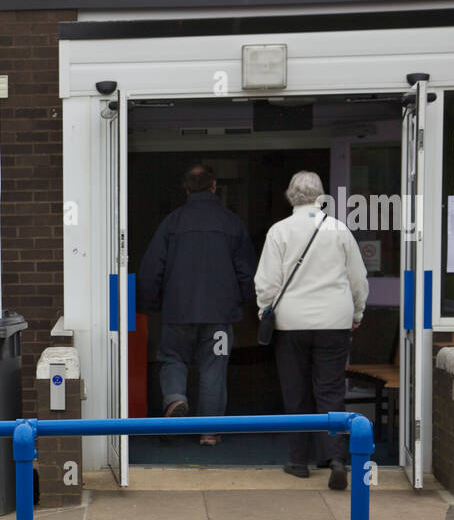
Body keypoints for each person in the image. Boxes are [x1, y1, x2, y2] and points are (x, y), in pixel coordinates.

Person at [254, 170, 369, 490]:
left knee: (296, 392)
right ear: (321, 196)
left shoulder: (279, 231)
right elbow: (358, 278)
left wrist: (265, 310)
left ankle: (298, 461)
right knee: (330, 390)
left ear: (291, 196)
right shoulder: (339, 229)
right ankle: (335, 457)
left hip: (291, 323)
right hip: (334, 321)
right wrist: (357, 311)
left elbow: (266, 283)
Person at [138, 164, 256, 445]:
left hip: (178, 313)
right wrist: (245, 301)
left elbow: (152, 269)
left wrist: (151, 304)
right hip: (219, 316)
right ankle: (209, 433)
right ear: (214, 186)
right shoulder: (232, 223)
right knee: (214, 368)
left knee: (172, 359)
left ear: (186, 188)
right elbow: (247, 272)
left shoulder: (172, 223)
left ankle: (175, 398)